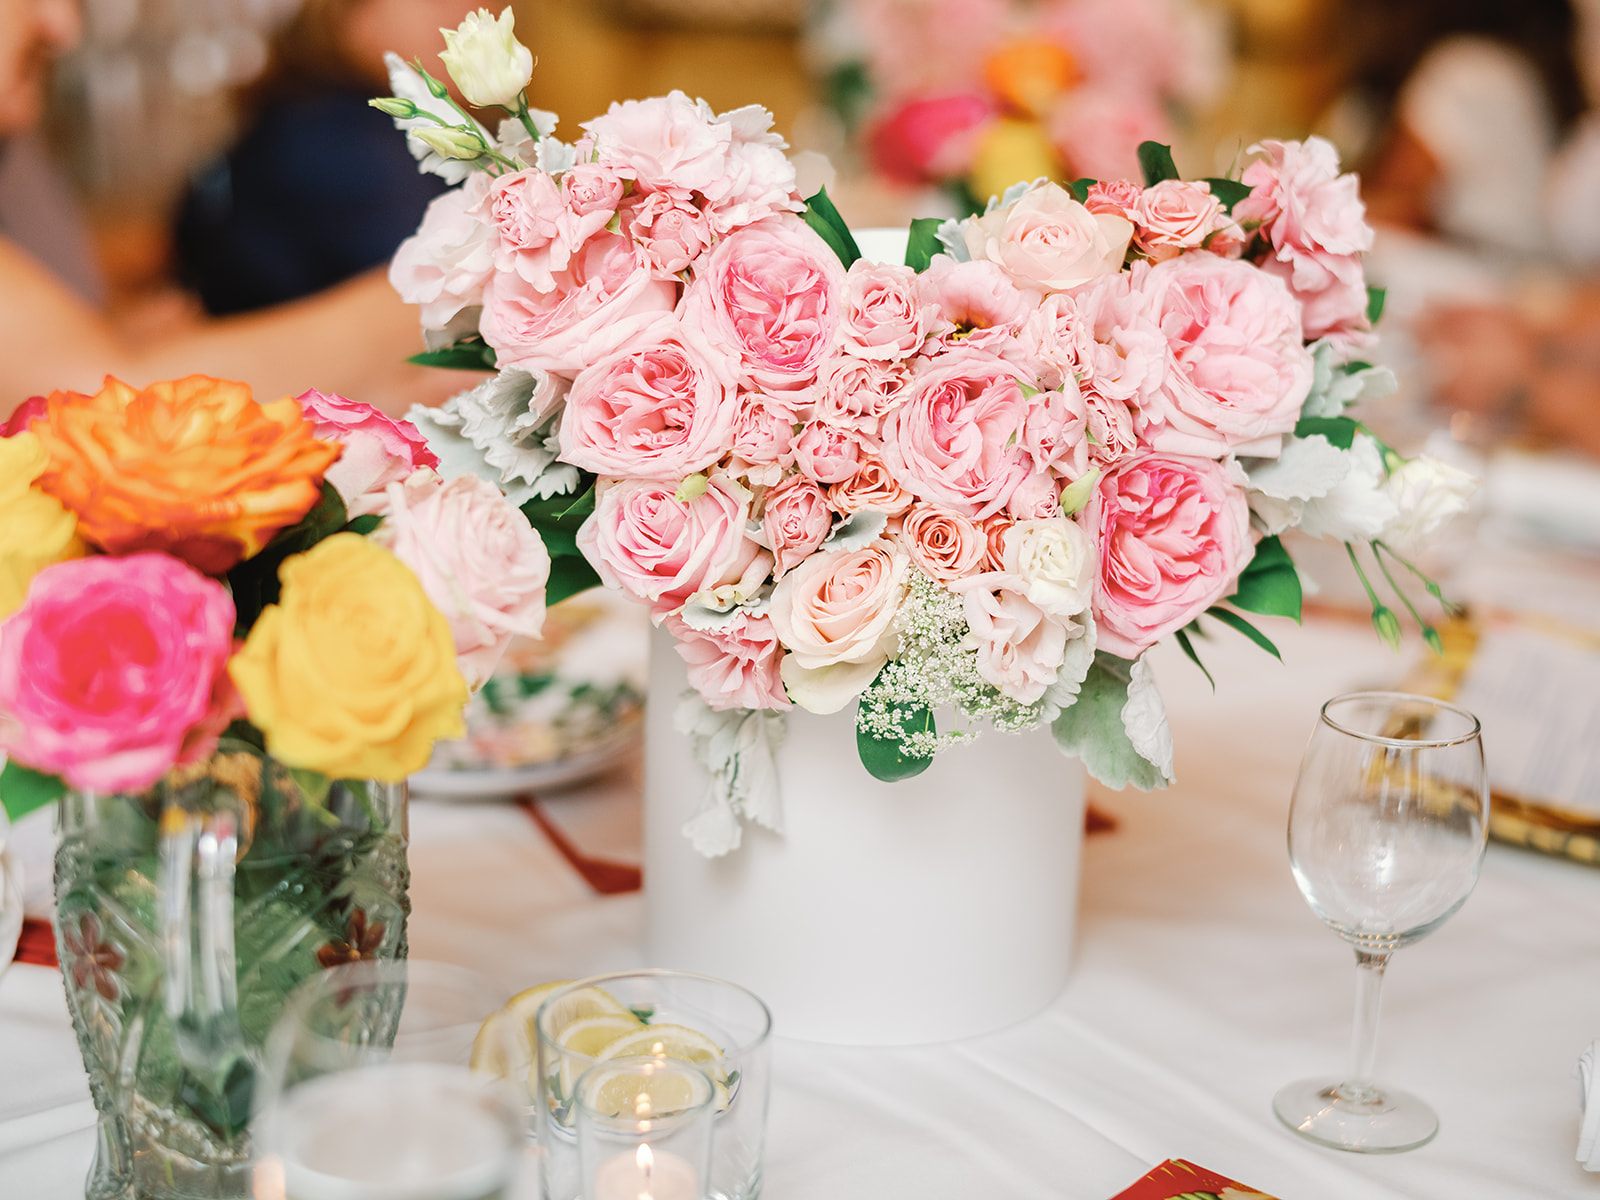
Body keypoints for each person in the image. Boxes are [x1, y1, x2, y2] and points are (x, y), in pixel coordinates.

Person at [0, 0, 466, 422]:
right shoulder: (335, 136)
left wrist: (108, 335)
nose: (63, 26)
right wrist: (469, 278)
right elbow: (100, 408)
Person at [174, 0, 474, 315]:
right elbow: (449, 309)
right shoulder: (338, 139)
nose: (470, 12)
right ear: (348, 13)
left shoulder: (308, 113)